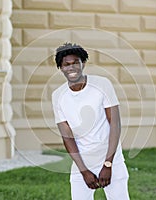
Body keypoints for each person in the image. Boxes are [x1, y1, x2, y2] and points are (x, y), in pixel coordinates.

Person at [52, 42, 130, 200]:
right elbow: (67, 137)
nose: (71, 67)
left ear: (83, 63)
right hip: (83, 162)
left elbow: (115, 124)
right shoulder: (58, 96)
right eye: (66, 64)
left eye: (75, 62)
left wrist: (108, 164)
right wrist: (84, 171)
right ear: (60, 68)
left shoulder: (102, 84)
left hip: (111, 159)